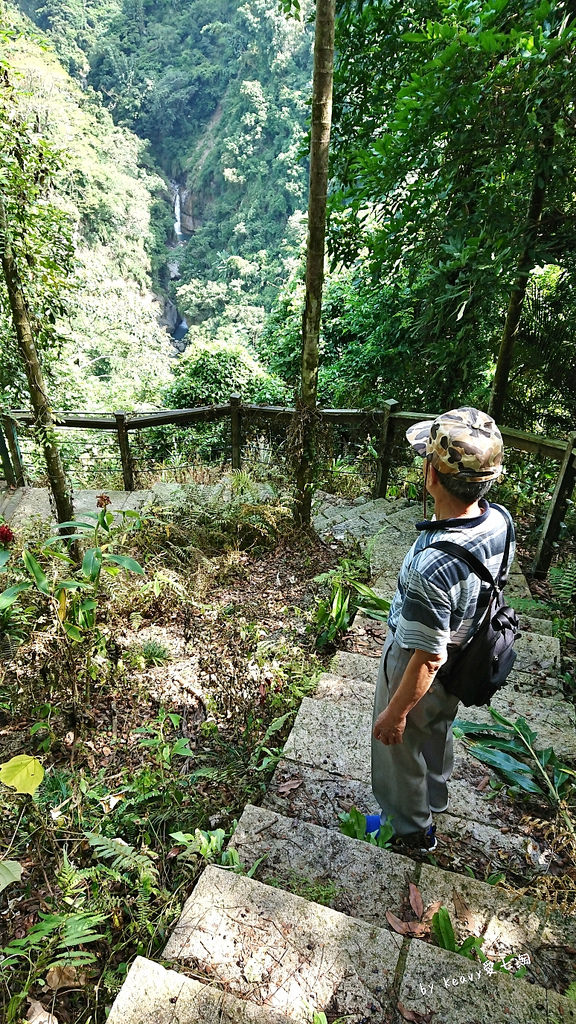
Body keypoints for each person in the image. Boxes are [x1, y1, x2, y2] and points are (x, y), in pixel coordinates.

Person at [367, 407, 515, 852]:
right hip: (467, 649)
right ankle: (434, 796)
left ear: (432, 474)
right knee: (437, 727)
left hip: (422, 661)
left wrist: (394, 714)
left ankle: (410, 830)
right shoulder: (498, 519)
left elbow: (427, 657)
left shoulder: (434, 565)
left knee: (399, 742)